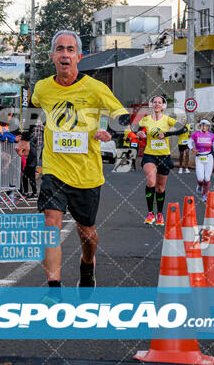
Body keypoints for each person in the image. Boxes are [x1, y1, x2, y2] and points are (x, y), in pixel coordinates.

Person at [15, 30, 129, 289]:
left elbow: (121, 114)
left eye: (69, 50)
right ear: (52, 56)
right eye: (59, 49)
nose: (64, 54)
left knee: (87, 233)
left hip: (87, 173)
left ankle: (87, 265)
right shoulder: (43, 88)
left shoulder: (95, 88)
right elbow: (32, 111)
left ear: (79, 56)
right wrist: (23, 138)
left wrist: (109, 131)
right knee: (51, 223)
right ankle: (54, 288)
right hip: (54, 169)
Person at [137, 96, 186, 226]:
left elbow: (183, 129)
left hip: (164, 156)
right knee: (151, 181)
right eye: (155, 102)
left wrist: (167, 134)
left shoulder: (167, 120)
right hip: (149, 155)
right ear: (151, 105)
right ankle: (150, 213)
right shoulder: (146, 119)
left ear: (163, 106)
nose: (157, 104)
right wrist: (139, 134)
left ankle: (159, 213)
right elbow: (136, 129)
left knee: (160, 188)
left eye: (160, 102)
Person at [188, 119, 214, 202]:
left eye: (205, 125)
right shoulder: (196, 134)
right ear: (200, 126)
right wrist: (192, 149)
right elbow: (189, 143)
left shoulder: (211, 135)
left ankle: (205, 194)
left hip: (209, 157)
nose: (204, 127)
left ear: (208, 127)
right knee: (200, 178)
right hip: (199, 157)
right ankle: (199, 185)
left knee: (207, 177)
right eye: (202, 125)